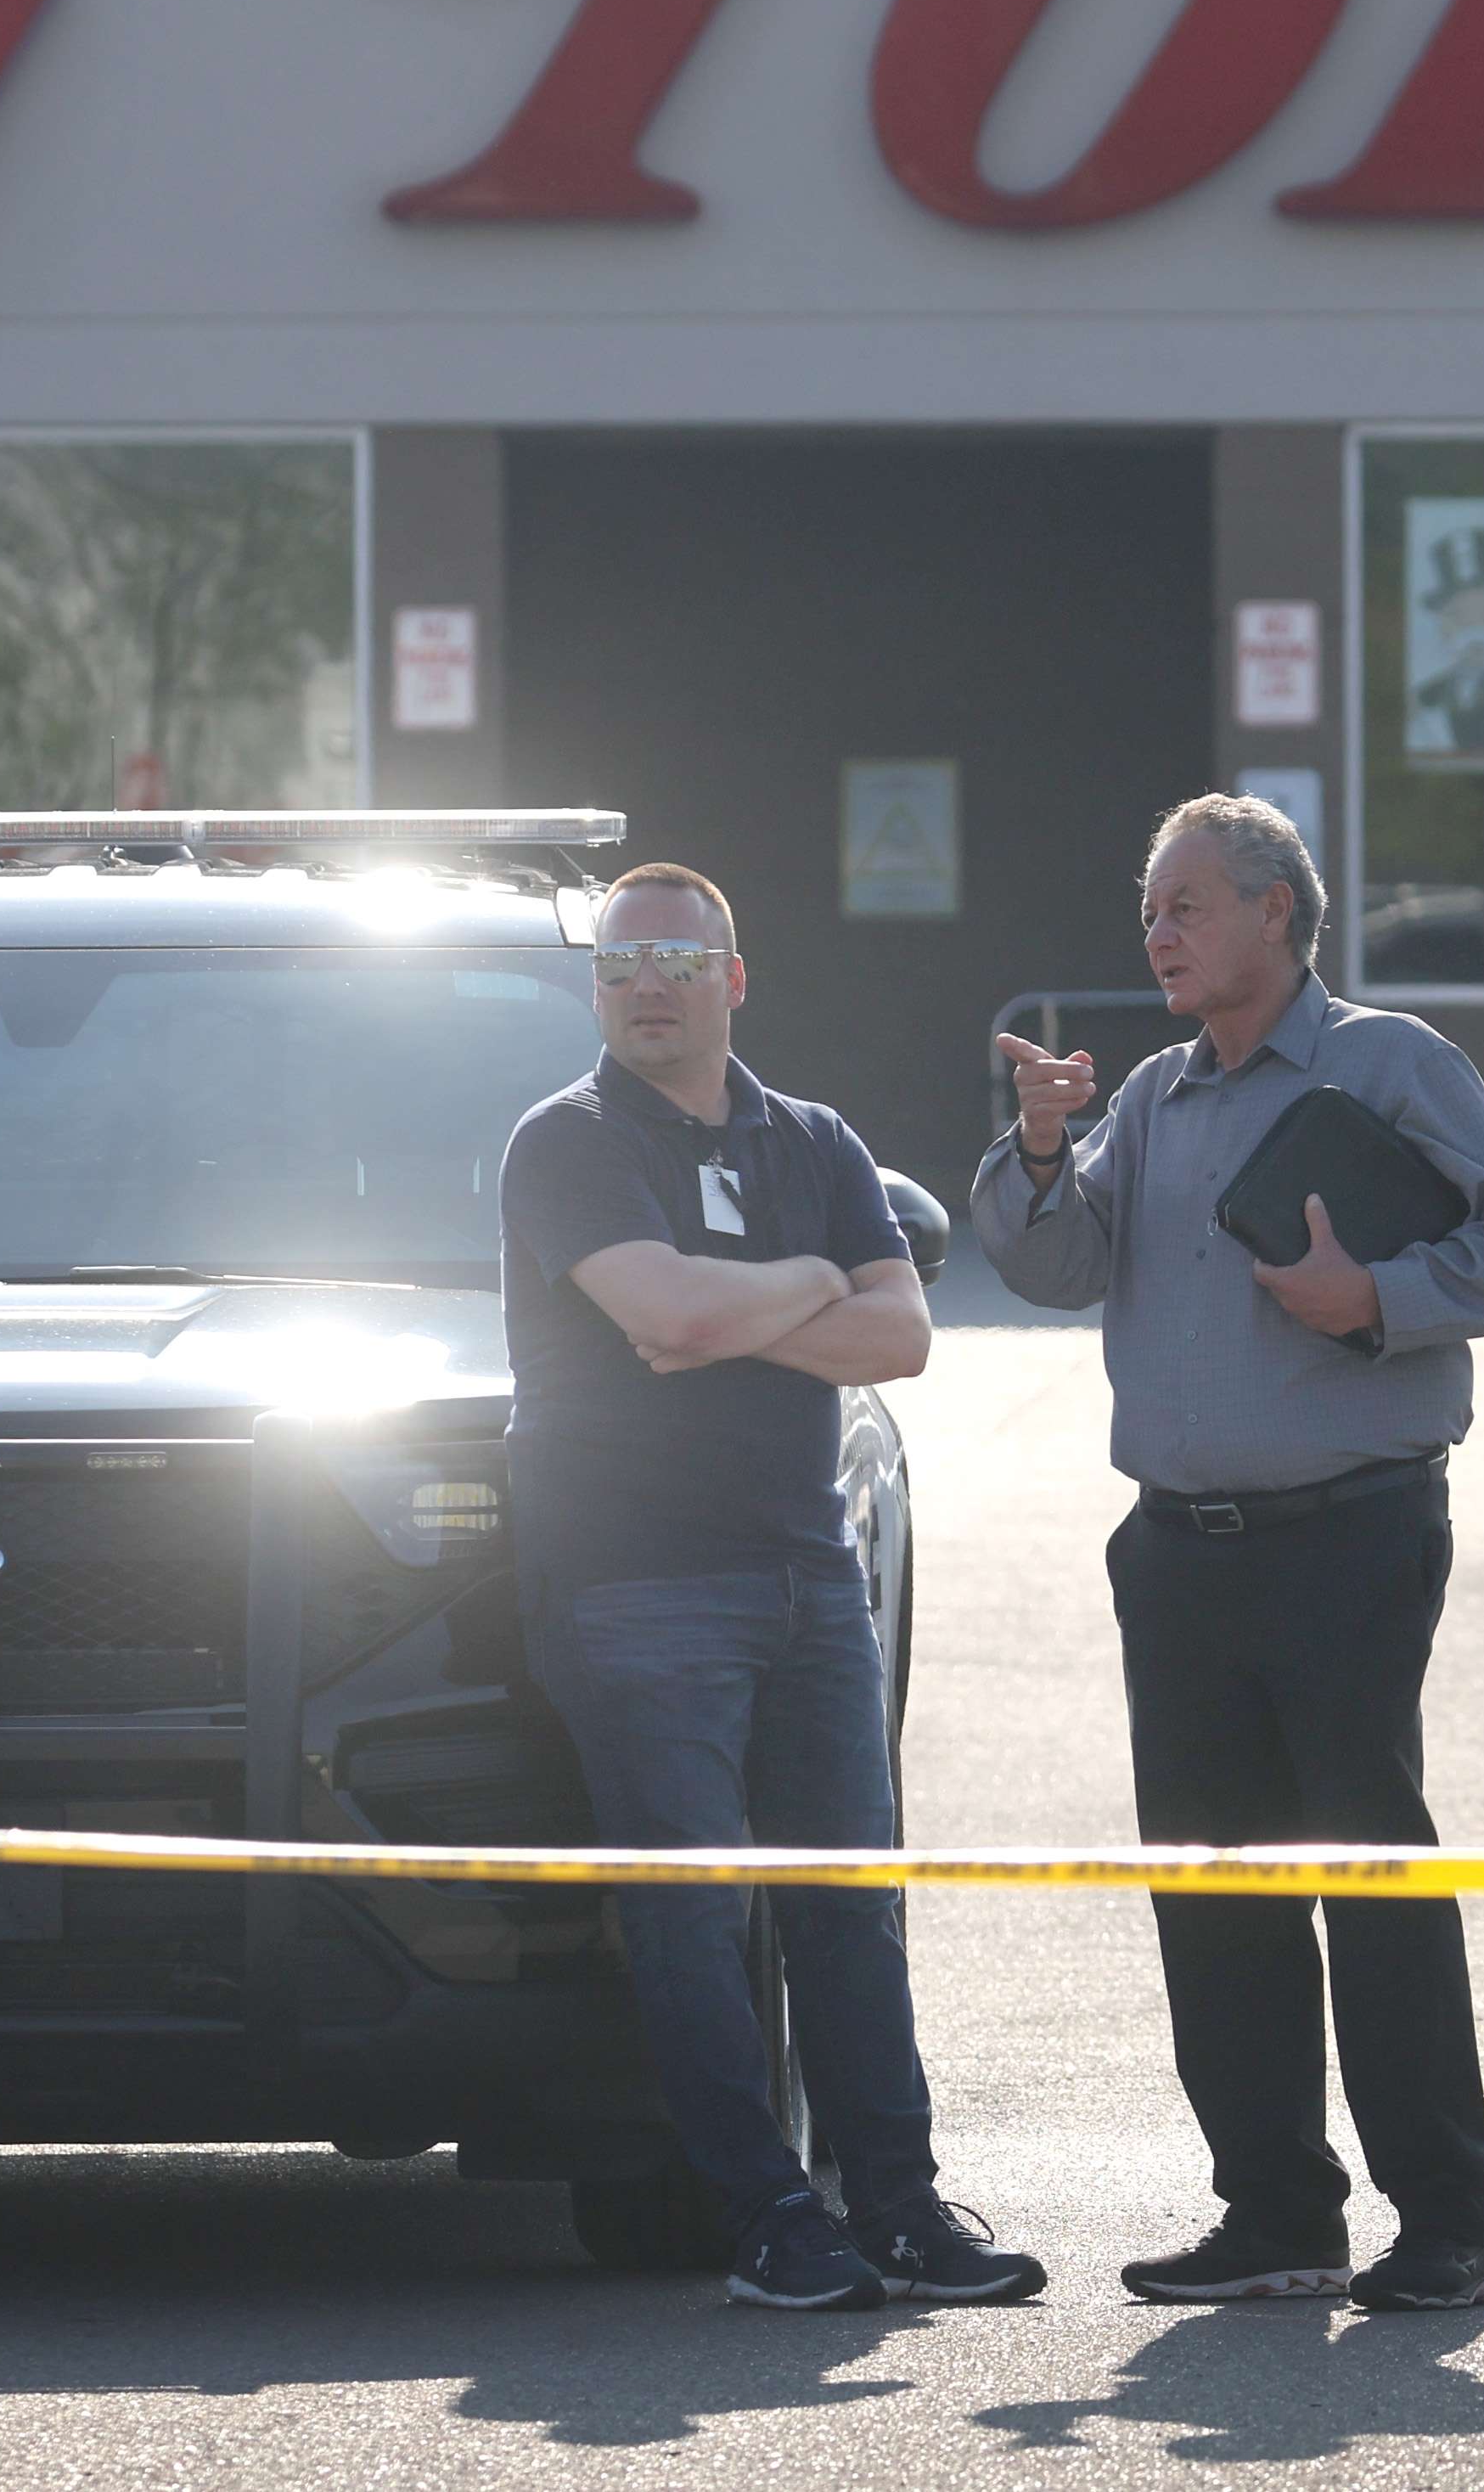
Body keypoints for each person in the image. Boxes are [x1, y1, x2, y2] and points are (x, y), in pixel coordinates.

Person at [974, 794, 1484, 2312]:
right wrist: (1039, 1148)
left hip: (1348, 1534)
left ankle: (1451, 2218)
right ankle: (1277, 2211)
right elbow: (1053, 1265)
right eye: (1148, 909)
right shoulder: (1153, 1097)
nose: (1157, 933)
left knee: (1369, 1877)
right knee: (1213, 1889)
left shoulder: (1393, 1061)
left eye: (1186, 904)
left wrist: (1373, 1298)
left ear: (1276, 913)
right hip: (1178, 1551)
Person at [500, 861, 1045, 2311]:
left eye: (680, 960)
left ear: (734, 979)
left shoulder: (814, 1139)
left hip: (809, 1571)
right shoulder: (564, 1143)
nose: (649, 984)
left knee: (848, 1905)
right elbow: (666, 1314)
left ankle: (902, 2210)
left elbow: (901, 1337)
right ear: (598, 988)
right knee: (693, 1917)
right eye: (623, 963)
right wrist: (813, 1280)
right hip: (634, 1583)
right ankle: (767, 2217)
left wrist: (737, 1303)